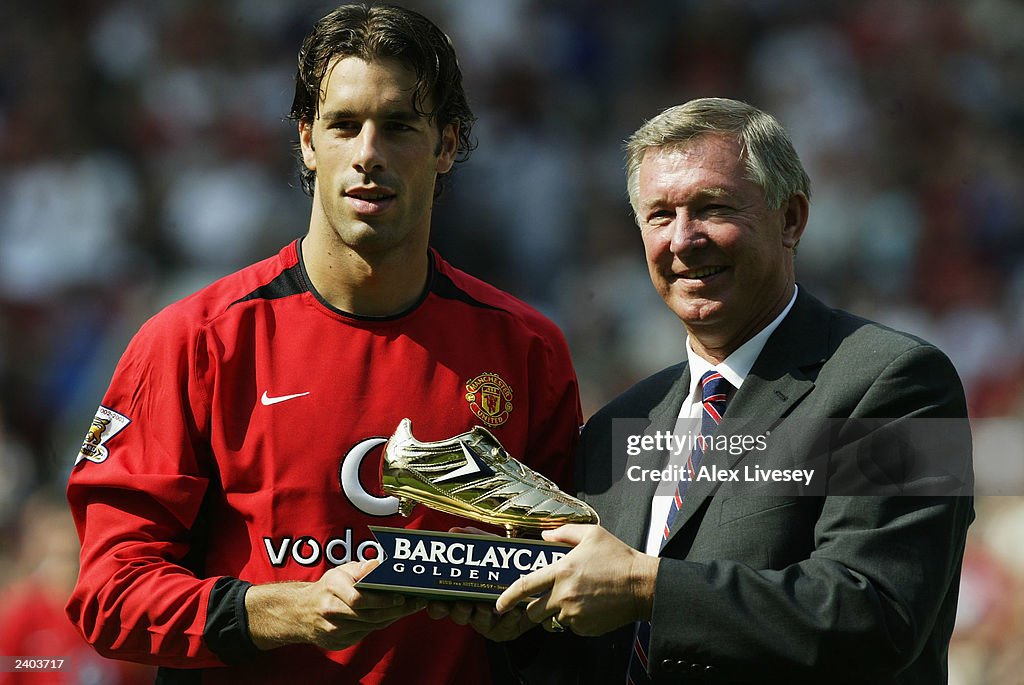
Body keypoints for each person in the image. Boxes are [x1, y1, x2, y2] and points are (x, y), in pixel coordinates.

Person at [65, 4, 581, 684]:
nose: (369, 153)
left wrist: (527, 613)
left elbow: (577, 584)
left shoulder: (526, 348)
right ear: (308, 140)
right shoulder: (193, 342)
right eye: (344, 125)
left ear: (447, 144)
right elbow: (108, 593)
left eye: (399, 126)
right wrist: (284, 610)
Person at [496, 98, 974, 683]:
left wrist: (647, 586)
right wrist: (512, 625)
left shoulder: (903, 382)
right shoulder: (619, 425)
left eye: (712, 207)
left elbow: (878, 612)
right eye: (660, 216)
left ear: (791, 219)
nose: (683, 239)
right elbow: (598, 647)